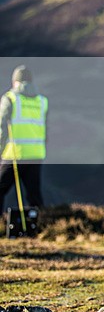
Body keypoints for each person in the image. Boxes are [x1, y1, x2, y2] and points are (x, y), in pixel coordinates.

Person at [0, 65, 48, 209]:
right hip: (35, 154)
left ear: (15, 82)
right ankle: (38, 224)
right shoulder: (41, 101)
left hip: (15, 154)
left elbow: (1, 128)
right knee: (34, 194)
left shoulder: (10, 98)